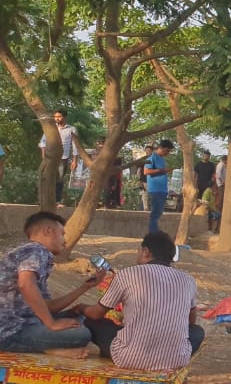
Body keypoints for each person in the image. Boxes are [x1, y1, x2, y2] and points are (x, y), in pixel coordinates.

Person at [77, 232, 202, 371]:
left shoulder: (127, 274)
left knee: (91, 321)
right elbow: (191, 322)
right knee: (197, 331)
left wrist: (80, 308)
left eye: (139, 251)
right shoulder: (188, 280)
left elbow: (96, 314)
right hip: (176, 359)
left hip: (128, 358)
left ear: (146, 252)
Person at [0, 212, 103, 359]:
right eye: (62, 234)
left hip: (25, 323)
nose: (65, 241)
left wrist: (85, 287)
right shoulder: (36, 250)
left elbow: (49, 307)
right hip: (9, 331)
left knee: (80, 317)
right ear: (48, 231)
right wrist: (51, 324)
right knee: (81, 334)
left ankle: (49, 346)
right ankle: (47, 348)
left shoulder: (31, 254)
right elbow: (25, 284)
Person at [41, 110, 78, 206]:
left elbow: (75, 145)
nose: (57, 118)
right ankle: (44, 200)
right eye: (55, 116)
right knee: (47, 178)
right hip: (50, 157)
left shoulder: (71, 129)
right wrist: (44, 155)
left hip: (63, 157)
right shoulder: (51, 128)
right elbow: (42, 142)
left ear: (64, 117)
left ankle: (57, 201)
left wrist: (75, 160)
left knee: (59, 179)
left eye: (59, 116)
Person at [143, 140, 174, 234]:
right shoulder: (152, 157)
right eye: (167, 151)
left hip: (162, 190)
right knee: (155, 214)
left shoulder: (161, 159)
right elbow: (146, 171)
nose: (167, 153)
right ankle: (153, 233)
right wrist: (162, 170)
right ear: (162, 148)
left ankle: (155, 231)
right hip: (155, 190)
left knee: (158, 213)